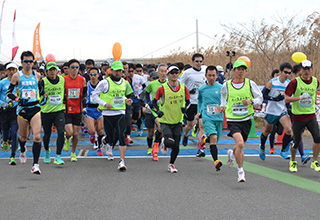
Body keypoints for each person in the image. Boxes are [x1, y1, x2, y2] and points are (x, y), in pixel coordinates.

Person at [220, 60, 263, 182]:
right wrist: (223, 106)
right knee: (240, 144)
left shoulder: (250, 84)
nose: (240, 72)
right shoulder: (227, 85)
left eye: (243, 70)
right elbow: (222, 95)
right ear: (233, 71)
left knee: (240, 145)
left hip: (246, 119)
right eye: (238, 69)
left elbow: (260, 97)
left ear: (246, 71)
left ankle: (232, 155)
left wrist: (251, 101)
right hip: (232, 119)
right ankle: (240, 172)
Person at [92, 61, 133, 171]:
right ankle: (105, 141)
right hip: (108, 113)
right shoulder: (104, 83)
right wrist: (104, 104)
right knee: (111, 137)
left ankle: (122, 161)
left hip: (120, 112)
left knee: (121, 135)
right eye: (116, 71)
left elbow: (126, 95)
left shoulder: (125, 82)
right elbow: (94, 96)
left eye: (120, 71)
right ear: (112, 71)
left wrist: (128, 100)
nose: (118, 73)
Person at [7, 51, 44, 174]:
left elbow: (41, 89)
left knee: (37, 136)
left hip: (35, 108)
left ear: (33, 62)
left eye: (30, 61)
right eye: (26, 61)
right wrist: (18, 99)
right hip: (22, 110)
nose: (28, 64)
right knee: (24, 137)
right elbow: (9, 93)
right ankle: (22, 149)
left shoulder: (37, 75)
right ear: (21, 62)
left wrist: (43, 97)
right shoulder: (17, 76)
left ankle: (35, 165)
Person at [284, 60, 320, 172]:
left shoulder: (315, 81)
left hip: (310, 115)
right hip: (298, 117)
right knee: (296, 141)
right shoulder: (295, 83)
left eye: (309, 69)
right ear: (301, 70)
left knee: (317, 138)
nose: (306, 71)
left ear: (312, 70)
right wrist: (299, 98)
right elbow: (286, 98)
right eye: (304, 69)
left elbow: (314, 93)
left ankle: (314, 162)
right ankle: (293, 161)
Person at [153, 65, 190, 173]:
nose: (174, 75)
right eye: (172, 73)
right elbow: (154, 102)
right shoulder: (162, 88)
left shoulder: (183, 87)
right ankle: (165, 143)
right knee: (170, 142)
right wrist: (158, 111)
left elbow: (188, 102)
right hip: (165, 120)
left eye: (176, 73)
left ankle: (171, 164)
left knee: (176, 146)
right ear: (168, 75)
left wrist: (185, 109)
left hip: (178, 120)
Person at [259, 63, 293, 161]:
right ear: (280, 72)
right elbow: (263, 96)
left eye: (289, 73)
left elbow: (288, 97)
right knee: (267, 131)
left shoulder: (289, 84)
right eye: (285, 72)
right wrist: (274, 98)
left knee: (289, 130)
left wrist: (289, 109)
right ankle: (262, 147)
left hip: (282, 111)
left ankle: (283, 151)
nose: (287, 75)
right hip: (271, 111)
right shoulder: (272, 82)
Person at [197, 66, 224, 171]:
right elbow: (199, 100)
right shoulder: (202, 89)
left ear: (217, 76)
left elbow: (225, 100)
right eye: (209, 75)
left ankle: (204, 139)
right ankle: (216, 161)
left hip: (219, 117)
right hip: (207, 117)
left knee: (215, 140)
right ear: (205, 76)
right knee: (213, 138)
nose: (212, 77)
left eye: (214, 75)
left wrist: (223, 107)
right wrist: (199, 112)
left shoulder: (221, 88)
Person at [40, 62, 66, 165]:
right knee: (47, 134)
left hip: (59, 110)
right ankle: (47, 151)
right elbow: (39, 93)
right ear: (46, 72)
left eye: (54, 70)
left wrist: (65, 99)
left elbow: (64, 91)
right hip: (46, 112)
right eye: (50, 70)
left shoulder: (62, 80)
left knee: (61, 132)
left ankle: (58, 156)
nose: (52, 72)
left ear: (57, 71)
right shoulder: (43, 81)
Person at [180, 53, 207, 152]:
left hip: (202, 103)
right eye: (197, 61)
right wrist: (188, 91)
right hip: (191, 102)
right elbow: (181, 86)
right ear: (192, 62)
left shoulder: (205, 70)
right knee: (189, 125)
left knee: (202, 125)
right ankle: (186, 134)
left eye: (200, 61)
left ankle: (200, 148)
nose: (199, 63)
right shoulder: (187, 73)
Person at [63, 59, 87, 162]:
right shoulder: (63, 79)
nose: (75, 69)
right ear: (68, 69)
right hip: (67, 109)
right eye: (72, 67)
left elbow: (85, 93)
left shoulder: (82, 80)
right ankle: (67, 139)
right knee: (69, 132)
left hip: (78, 109)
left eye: (77, 67)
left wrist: (85, 102)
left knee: (76, 134)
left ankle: (73, 153)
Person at [145, 64, 167, 161]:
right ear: (158, 72)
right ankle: (151, 147)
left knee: (160, 129)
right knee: (150, 133)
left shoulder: (170, 84)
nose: (163, 73)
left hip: (164, 111)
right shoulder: (152, 84)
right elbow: (146, 93)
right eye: (161, 71)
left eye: (165, 71)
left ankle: (155, 149)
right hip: (153, 110)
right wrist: (148, 102)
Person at [0, 63, 19, 165]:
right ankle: (5, 140)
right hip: (4, 111)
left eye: (13, 69)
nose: (11, 72)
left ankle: (12, 156)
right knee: (5, 131)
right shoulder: (2, 83)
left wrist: (15, 102)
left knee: (14, 133)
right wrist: (2, 103)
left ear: (16, 71)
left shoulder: (19, 82)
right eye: (9, 70)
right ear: (6, 71)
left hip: (15, 111)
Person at [84, 67, 104, 156]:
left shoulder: (102, 85)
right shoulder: (87, 85)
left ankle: (99, 148)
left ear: (98, 75)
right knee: (91, 130)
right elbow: (83, 96)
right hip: (90, 110)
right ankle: (92, 135)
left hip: (99, 109)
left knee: (100, 130)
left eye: (95, 74)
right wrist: (83, 107)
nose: (93, 76)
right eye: (91, 75)